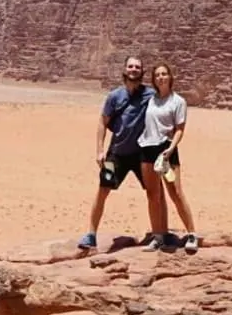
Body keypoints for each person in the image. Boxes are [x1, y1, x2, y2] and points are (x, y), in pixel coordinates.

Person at [77, 55, 163, 251]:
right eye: (130, 66)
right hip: (115, 153)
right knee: (102, 190)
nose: (133, 69)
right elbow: (103, 122)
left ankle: (159, 234)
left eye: (137, 67)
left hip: (143, 155)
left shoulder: (150, 95)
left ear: (142, 72)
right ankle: (90, 234)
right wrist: (99, 150)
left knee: (154, 193)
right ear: (125, 70)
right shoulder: (114, 96)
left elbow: (168, 107)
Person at [138, 61, 200, 253]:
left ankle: (191, 234)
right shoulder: (149, 99)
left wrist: (171, 148)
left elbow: (180, 128)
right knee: (152, 195)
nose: (161, 77)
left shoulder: (178, 102)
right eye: (157, 75)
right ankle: (158, 236)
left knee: (176, 193)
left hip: (166, 150)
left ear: (170, 77)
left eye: (164, 74)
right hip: (147, 148)